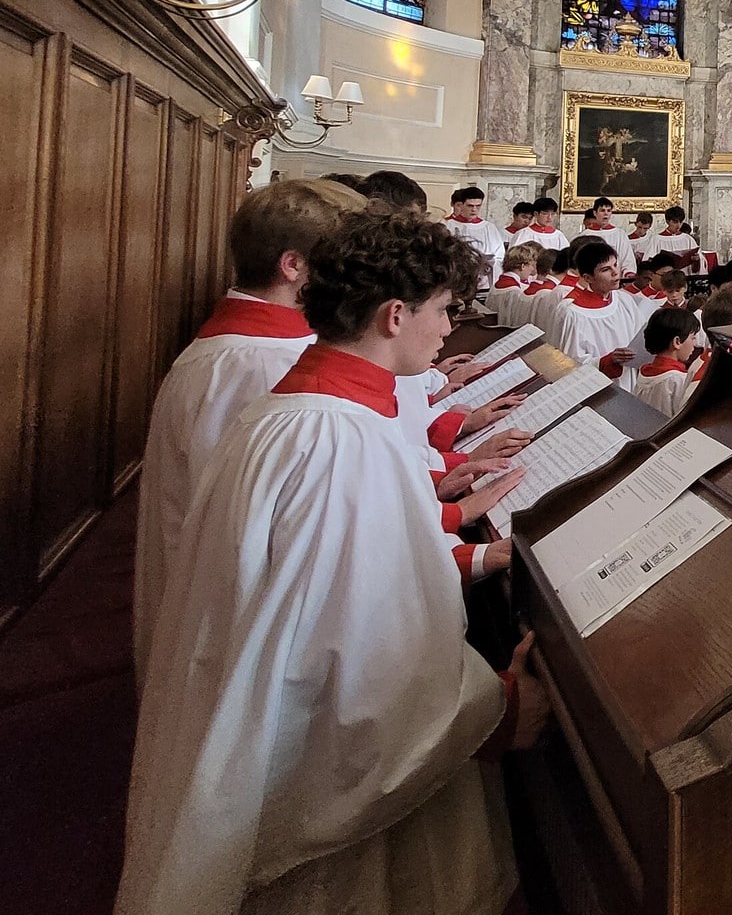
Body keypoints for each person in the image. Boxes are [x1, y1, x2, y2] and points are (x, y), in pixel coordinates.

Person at [117, 212, 548, 915]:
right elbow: (356, 665)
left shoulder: (300, 410)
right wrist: (496, 710)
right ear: (394, 314)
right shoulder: (337, 442)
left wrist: (463, 556)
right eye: (442, 312)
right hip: (313, 797)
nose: (447, 332)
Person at [133, 178, 366, 674]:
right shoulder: (263, 363)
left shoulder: (247, 347)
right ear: (293, 266)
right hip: (228, 622)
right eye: (337, 264)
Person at [544, 242, 656, 367]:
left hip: (630, 376)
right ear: (588, 278)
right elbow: (569, 362)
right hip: (598, 383)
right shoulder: (573, 314)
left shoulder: (625, 300)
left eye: (615, 265)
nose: (615, 272)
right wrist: (607, 361)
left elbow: (641, 337)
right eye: (605, 269)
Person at [636, 306, 704, 418]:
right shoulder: (677, 379)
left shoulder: (644, 372)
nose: (695, 344)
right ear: (677, 342)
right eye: (693, 338)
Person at [444, 185, 506, 289]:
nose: (474, 210)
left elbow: (500, 255)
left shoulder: (489, 228)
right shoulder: (447, 225)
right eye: (470, 206)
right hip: (456, 278)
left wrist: (490, 263)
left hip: (483, 279)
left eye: (478, 206)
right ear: (461, 205)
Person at [584, 196, 639, 276]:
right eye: (602, 210)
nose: (606, 213)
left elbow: (627, 257)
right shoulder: (586, 235)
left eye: (609, 210)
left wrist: (628, 272)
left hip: (615, 279)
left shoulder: (619, 234)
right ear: (595, 213)